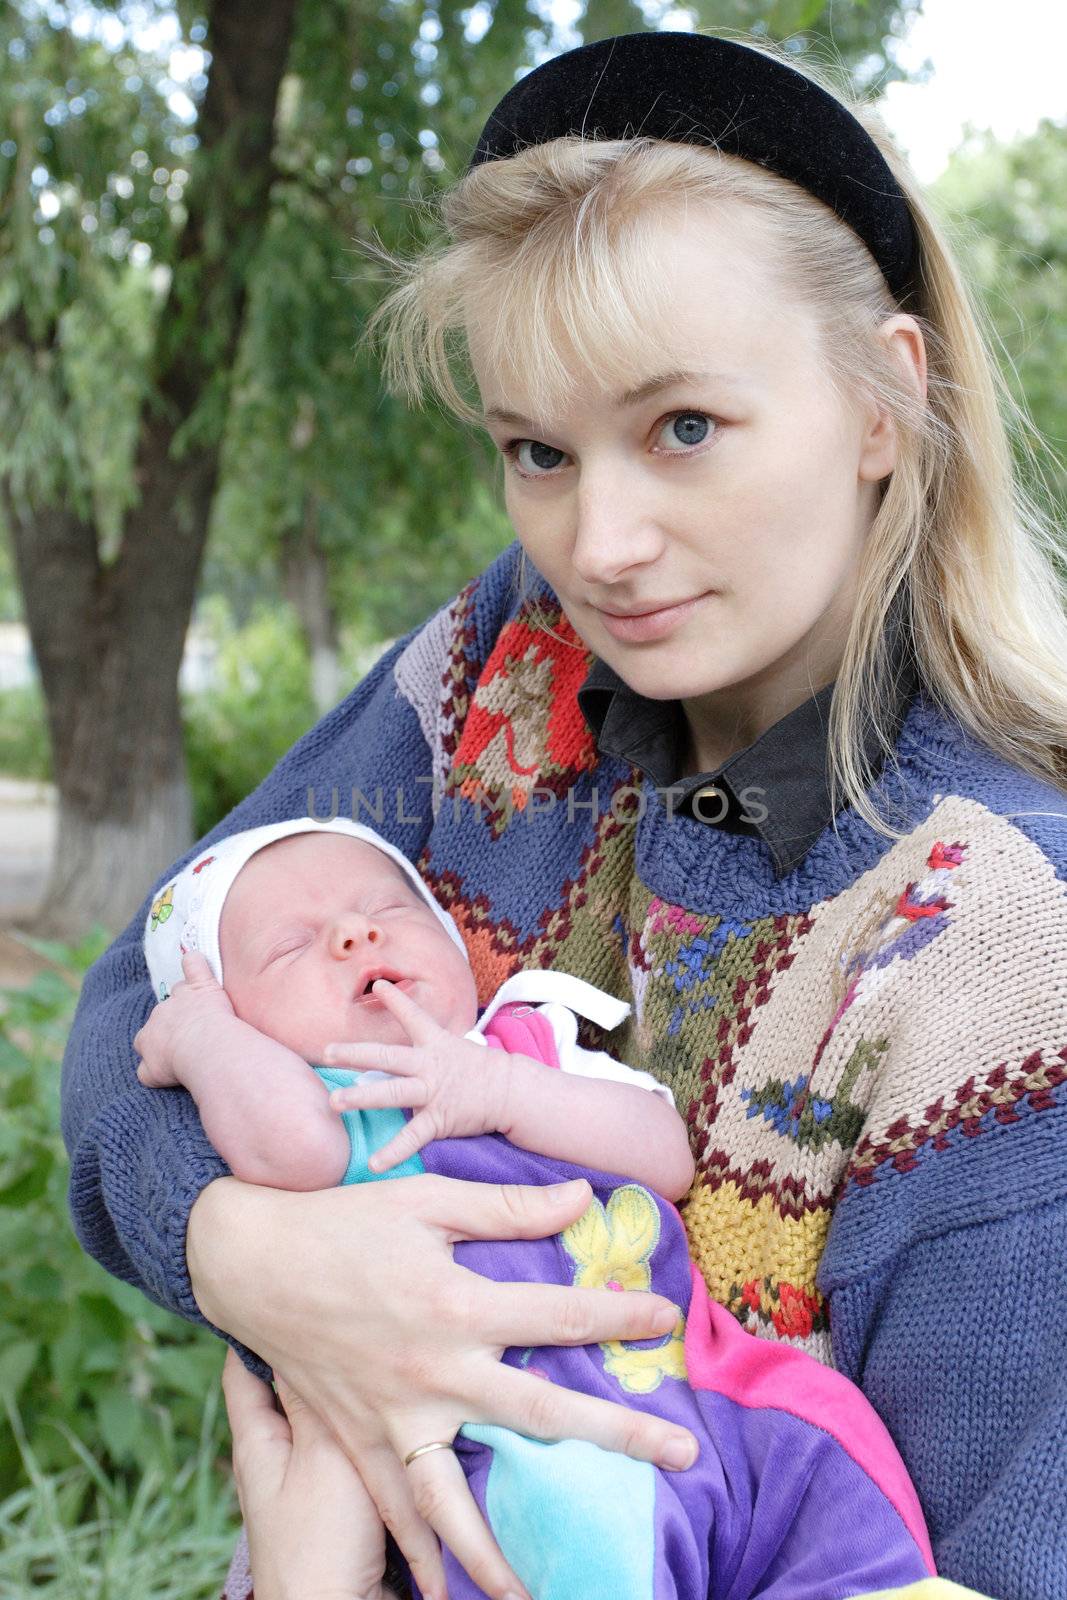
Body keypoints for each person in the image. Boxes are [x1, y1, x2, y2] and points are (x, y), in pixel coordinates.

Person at [59, 28, 1067, 1600]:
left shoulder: (1002, 940)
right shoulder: (498, 667)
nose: (597, 544)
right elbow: (146, 983)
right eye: (536, 450)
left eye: (681, 429)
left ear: (881, 402)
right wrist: (247, 1255)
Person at [136, 815, 936, 1598]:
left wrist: (505, 1090)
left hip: (700, 1385)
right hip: (515, 1442)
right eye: (288, 946)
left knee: (826, 1448)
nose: (355, 934)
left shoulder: (529, 1046)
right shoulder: (320, 1102)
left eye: (388, 908)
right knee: (570, 1536)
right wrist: (204, 1039)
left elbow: (666, 1155)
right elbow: (287, 1149)